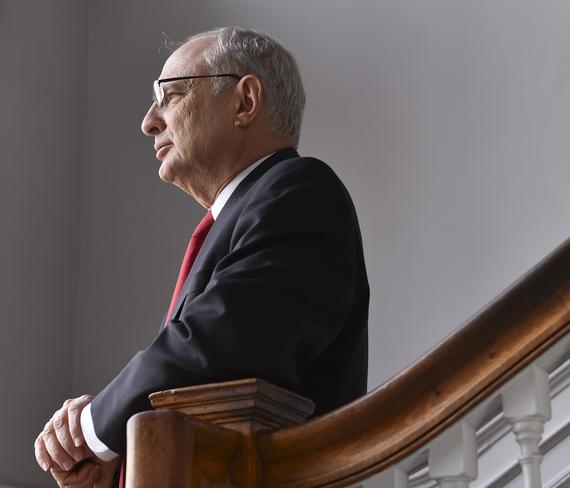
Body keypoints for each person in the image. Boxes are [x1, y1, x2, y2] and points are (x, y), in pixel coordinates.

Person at [33, 26, 369, 487]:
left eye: (169, 94)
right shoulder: (247, 213)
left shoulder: (300, 190)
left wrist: (92, 428)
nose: (149, 121)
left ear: (245, 102)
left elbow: (217, 342)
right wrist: (121, 459)